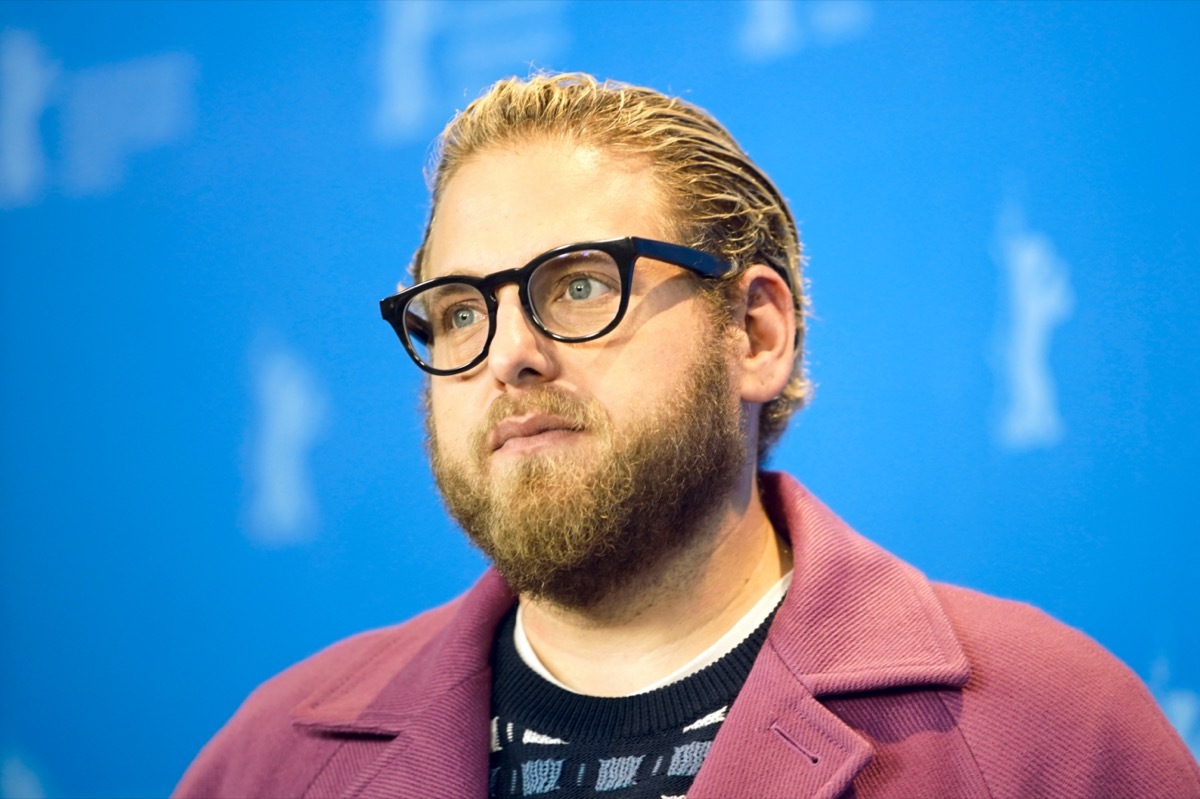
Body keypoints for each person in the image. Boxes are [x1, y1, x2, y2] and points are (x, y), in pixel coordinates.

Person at [175, 72, 1199, 799]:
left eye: (578, 285)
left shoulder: (1050, 735)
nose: (508, 355)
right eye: (458, 310)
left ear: (755, 332)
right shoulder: (271, 760)